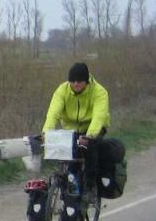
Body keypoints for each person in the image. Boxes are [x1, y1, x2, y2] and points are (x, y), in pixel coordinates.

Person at [42, 62, 115, 190]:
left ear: (86, 81)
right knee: (70, 157)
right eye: (72, 80)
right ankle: (70, 186)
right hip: (71, 129)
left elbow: (98, 117)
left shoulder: (99, 92)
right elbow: (53, 113)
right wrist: (46, 132)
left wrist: (89, 136)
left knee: (87, 147)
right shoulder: (62, 90)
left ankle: (90, 184)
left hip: (93, 127)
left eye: (79, 80)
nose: (75, 83)